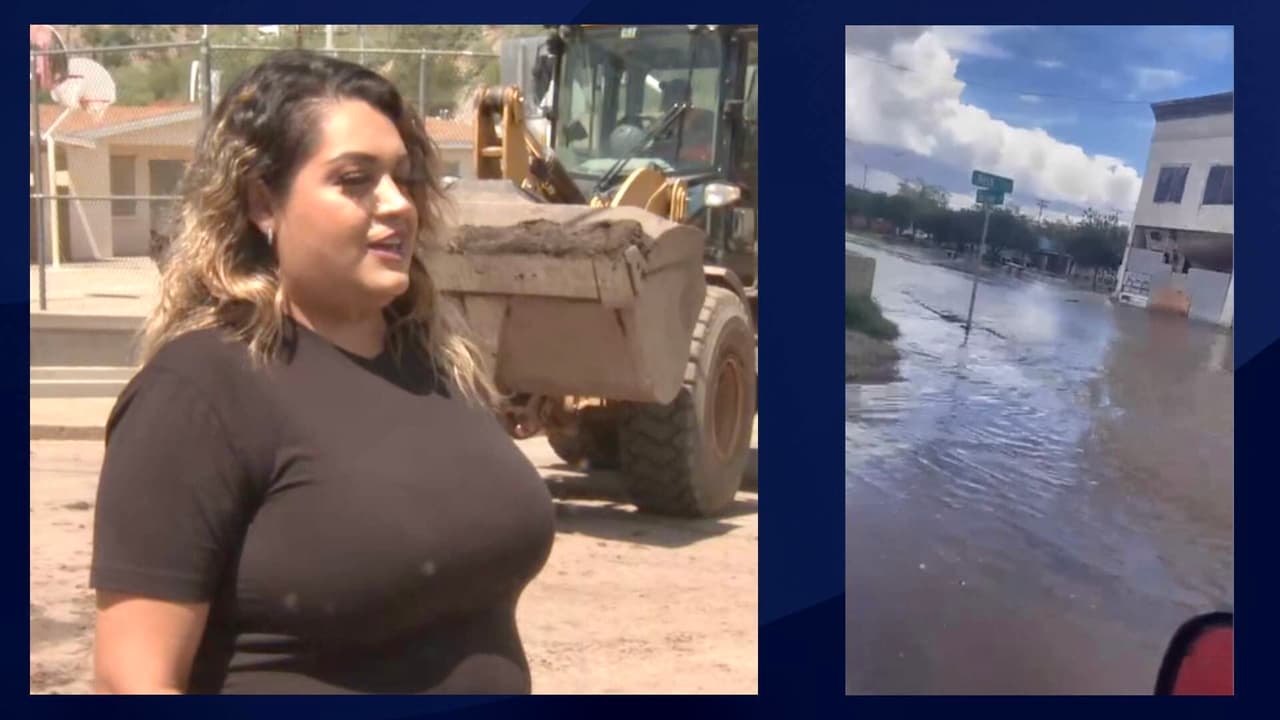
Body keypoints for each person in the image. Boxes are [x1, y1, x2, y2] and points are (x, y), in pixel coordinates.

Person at [90, 50, 556, 694]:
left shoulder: (440, 364)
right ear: (263, 202)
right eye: (355, 179)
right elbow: (130, 681)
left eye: (404, 177)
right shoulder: (200, 390)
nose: (397, 203)